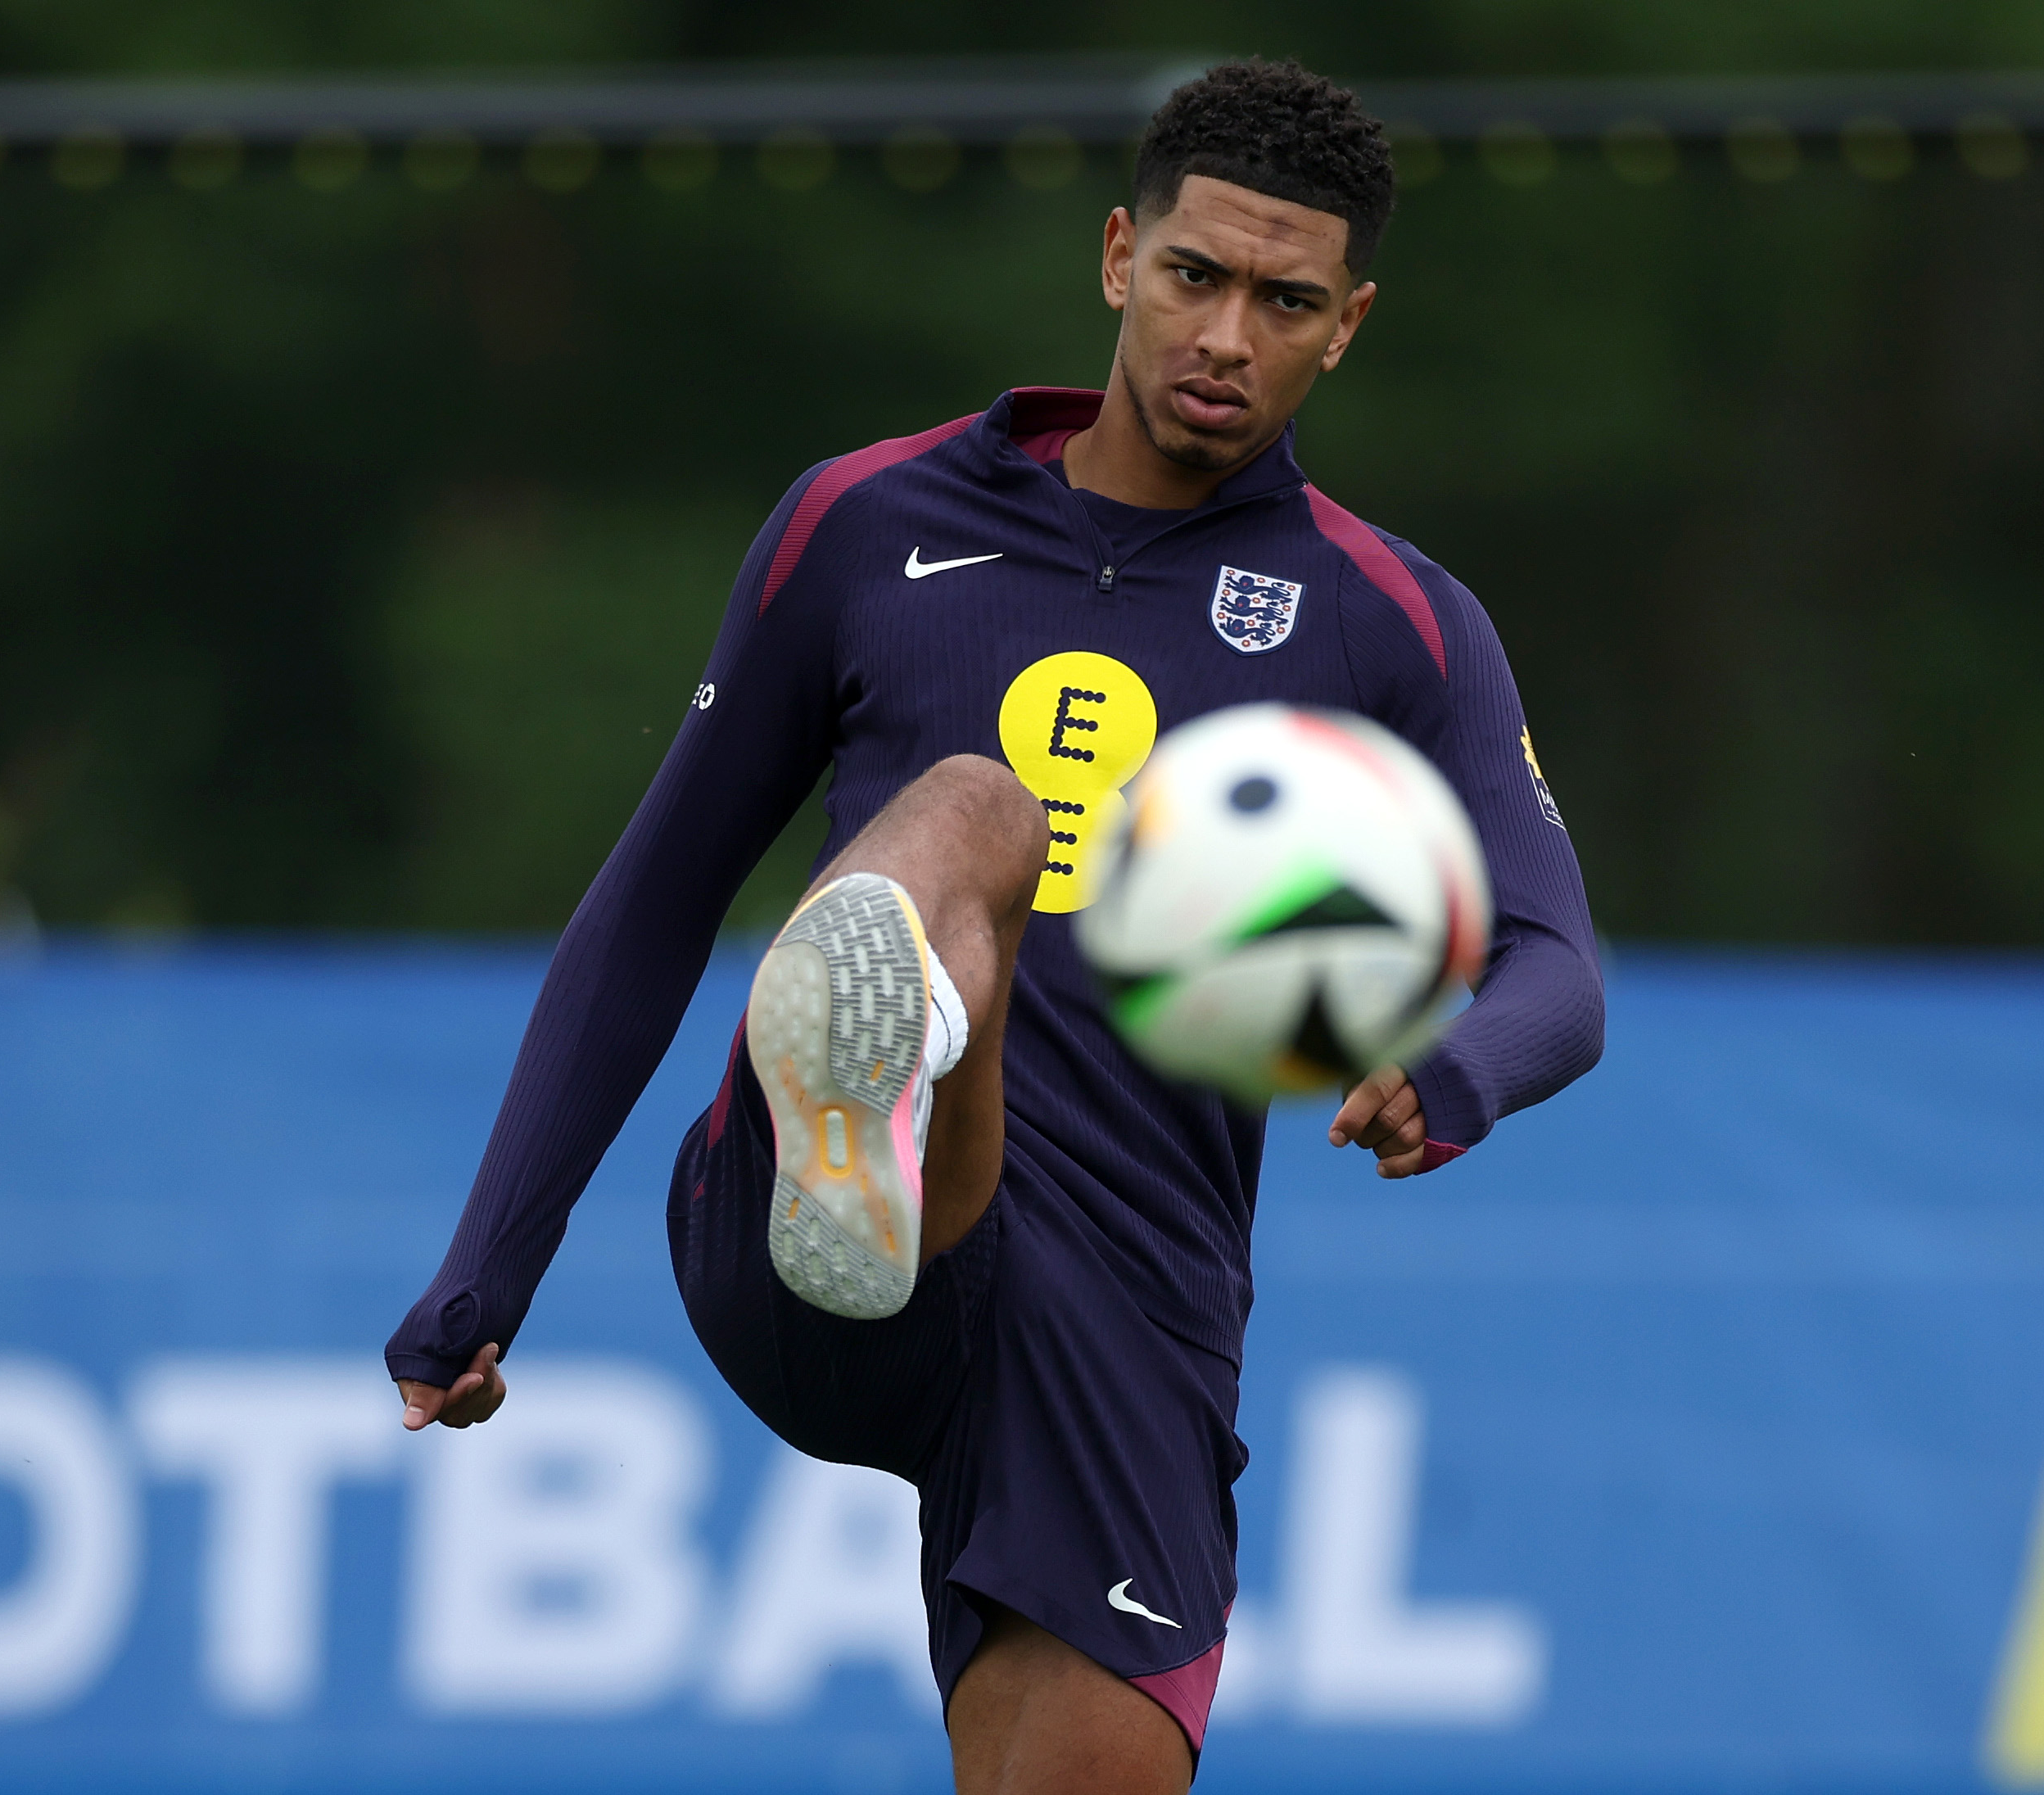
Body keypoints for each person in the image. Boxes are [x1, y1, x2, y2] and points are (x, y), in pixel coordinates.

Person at [385, 58, 1604, 1795]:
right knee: (980, 810)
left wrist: (1454, 1074)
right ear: (1118, 255)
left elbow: (1559, 972)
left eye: (1285, 302)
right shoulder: (863, 523)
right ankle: (856, 1118)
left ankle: (896, 1131)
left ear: (1347, 327)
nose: (1224, 336)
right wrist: (487, 1266)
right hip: (813, 1245)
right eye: (1194, 275)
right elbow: (649, 906)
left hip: (1124, 1320)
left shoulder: (1392, 624)